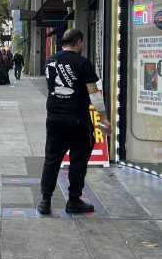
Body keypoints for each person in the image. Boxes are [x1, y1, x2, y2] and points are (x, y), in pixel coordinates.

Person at [37, 28, 111, 215]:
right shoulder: (82, 63)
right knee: (78, 161)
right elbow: (94, 95)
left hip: (54, 119)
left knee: (52, 159)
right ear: (79, 42)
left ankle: (45, 201)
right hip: (78, 120)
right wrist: (103, 117)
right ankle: (74, 200)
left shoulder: (50, 61)